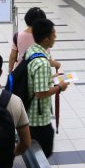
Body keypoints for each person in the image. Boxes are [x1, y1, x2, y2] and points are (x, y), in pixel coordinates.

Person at [26, 18, 67, 158]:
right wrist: (60, 87)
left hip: (28, 112)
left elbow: (33, 80)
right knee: (43, 152)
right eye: (53, 34)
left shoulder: (31, 51)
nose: (55, 37)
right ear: (46, 39)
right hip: (37, 119)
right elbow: (40, 93)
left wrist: (51, 79)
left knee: (33, 153)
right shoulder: (43, 63)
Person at [8, 7, 60, 74]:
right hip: (37, 72)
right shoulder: (43, 37)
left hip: (20, 72)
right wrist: (56, 64)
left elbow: (13, 57)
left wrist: (10, 71)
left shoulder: (18, 36)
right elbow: (47, 60)